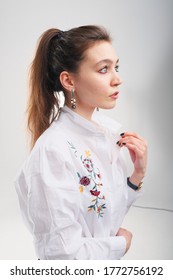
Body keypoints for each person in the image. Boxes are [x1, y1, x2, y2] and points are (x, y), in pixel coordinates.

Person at [15, 25, 147, 260]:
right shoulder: (53, 152)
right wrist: (121, 244)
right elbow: (61, 256)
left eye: (116, 67)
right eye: (103, 69)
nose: (118, 79)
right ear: (68, 80)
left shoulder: (106, 135)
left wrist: (136, 176)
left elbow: (104, 216)